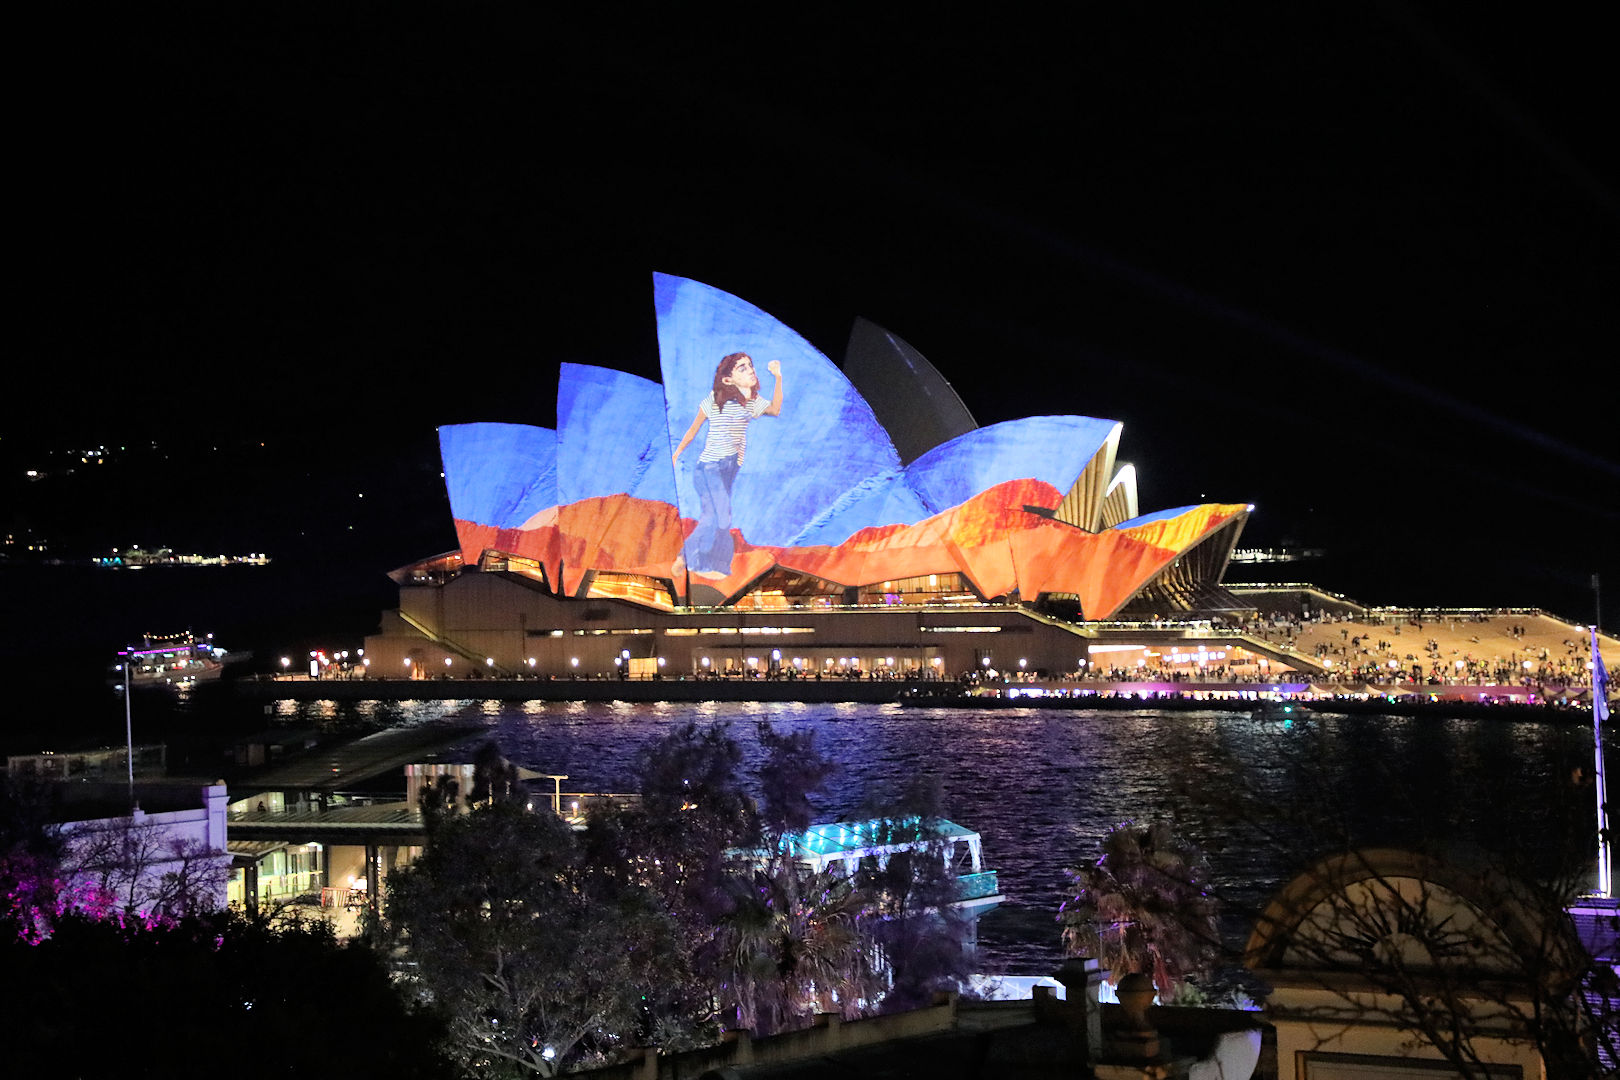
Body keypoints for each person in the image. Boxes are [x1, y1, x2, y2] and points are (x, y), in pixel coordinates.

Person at [672, 352, 783, 577]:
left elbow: (775, 409)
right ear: (727, 379)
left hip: (730, 468)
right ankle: (685, 557)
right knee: (719, 517)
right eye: (742, 368)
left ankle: (715, 565)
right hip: (710, 467)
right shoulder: (715, 399)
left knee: (716, 517)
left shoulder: (752, 402)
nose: (750, 370)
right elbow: (694, 429)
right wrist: (677, 454)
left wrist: (778, 377)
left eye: (750, 365)